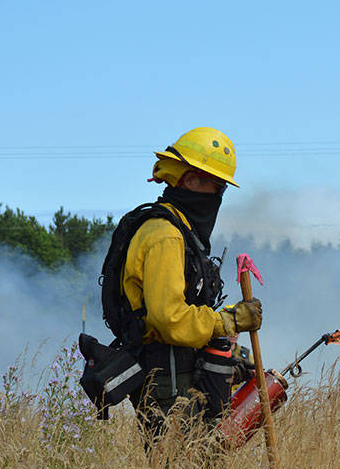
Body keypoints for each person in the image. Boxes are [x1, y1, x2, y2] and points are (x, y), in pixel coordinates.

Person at [104, 126, 263, 441]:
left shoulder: (178, 229)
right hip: (170, 387)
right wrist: (229, 321)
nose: (218, 197)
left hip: (182, 379)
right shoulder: (165, 235)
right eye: (217, 187)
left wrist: (226, 346)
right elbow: (170, 319)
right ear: (191, 180)